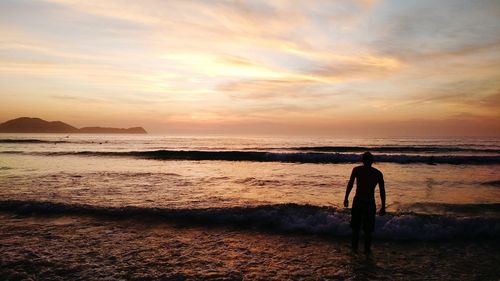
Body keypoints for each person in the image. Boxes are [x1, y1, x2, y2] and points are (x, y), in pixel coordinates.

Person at [343, 151, 385, 253]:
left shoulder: (357, 170)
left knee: (355, 229)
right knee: (368, 231)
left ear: (362, 160)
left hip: (358, 201)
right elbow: (382, 191)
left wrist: (346, 197)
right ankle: (367, 251)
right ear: (372, 161)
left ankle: (354, 250)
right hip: (370, 203)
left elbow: (350, 184)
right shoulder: (378, 173)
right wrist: (383, 206)